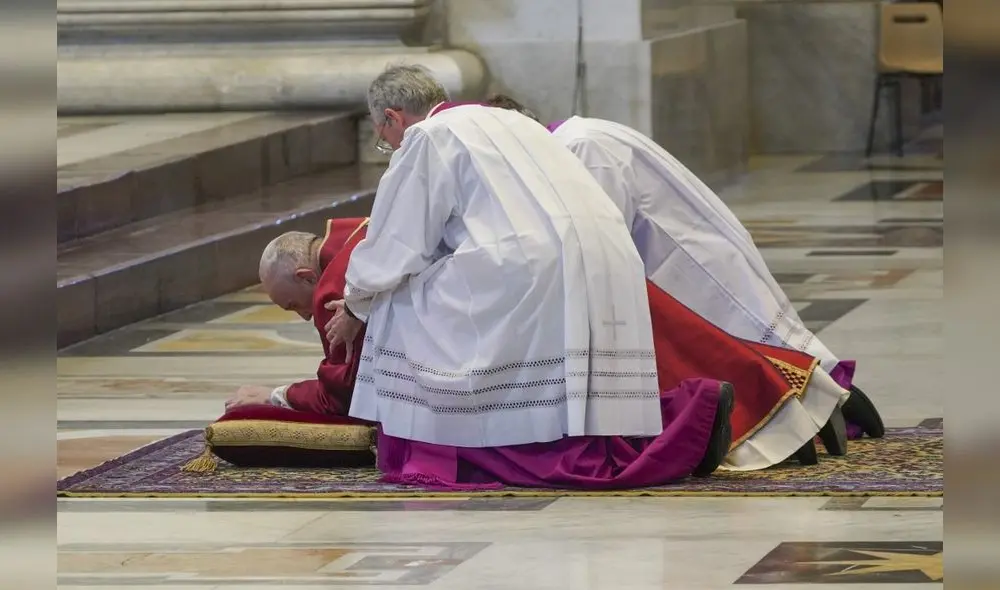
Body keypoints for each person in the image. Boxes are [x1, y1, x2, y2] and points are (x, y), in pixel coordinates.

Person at [316, 65, 738, 487]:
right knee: (570, 396)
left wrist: (358, 302)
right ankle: (684, 415)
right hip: (608, 255)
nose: (389, 145)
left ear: (392, 117)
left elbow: (399, 241)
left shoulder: (429, 136)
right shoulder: (513, 121)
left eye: (382, 137)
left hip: (528, 265)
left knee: (399, 306)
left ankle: (439, 451)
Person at [486, 94, 884, 444]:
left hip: (688, 265)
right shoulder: (575, 139)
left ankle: (827, 401)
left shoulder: (581, 147)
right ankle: (824, 399)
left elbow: (596, 243)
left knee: (746, 347)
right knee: (749, 347)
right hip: (678, 256)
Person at [225, 218, 370, 415]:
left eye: (295, 305)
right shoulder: (363, 230)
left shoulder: (334, 292)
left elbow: (338, 398)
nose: (305, 316)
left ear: (307, 277)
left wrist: (276, 396)